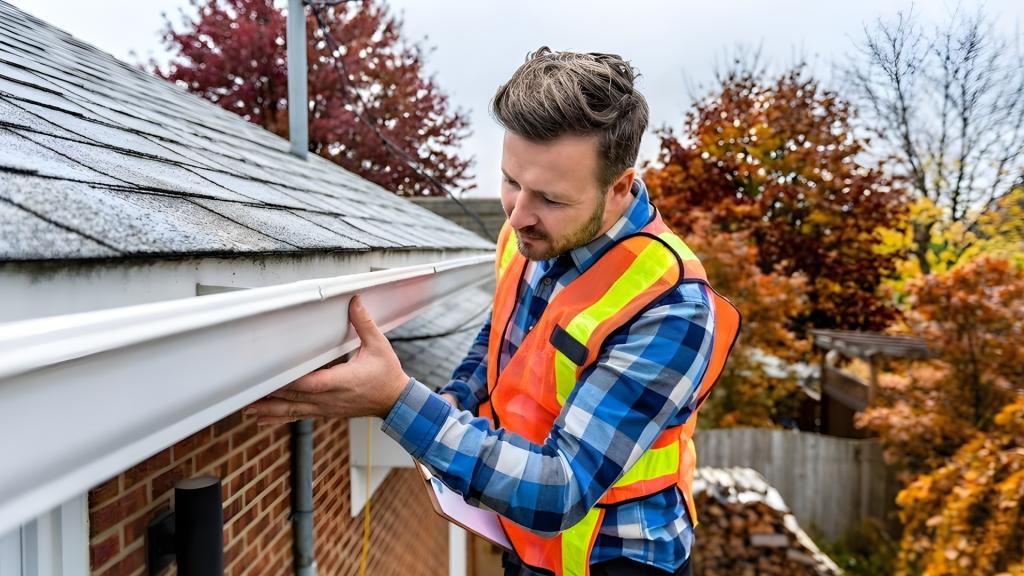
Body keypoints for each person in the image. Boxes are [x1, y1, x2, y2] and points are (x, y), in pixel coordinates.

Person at [246, 47, 740, 576]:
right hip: (523, 543)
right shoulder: (526, 236)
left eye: (551, 199)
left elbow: (561, 489)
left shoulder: (671, 306)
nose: (518, 214)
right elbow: (498, 341)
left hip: (616, 558)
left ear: (618, 187)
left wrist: (397, 402)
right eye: (510, 181)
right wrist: (453, 399)